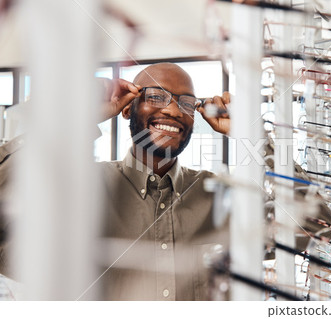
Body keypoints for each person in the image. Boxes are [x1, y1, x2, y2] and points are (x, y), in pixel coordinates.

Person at [0, 63, 231, 300]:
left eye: (187, 103)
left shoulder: (219, 195)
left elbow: (271, 224)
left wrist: (247, 131)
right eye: (155, 96)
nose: (173, 110)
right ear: (127, 109)